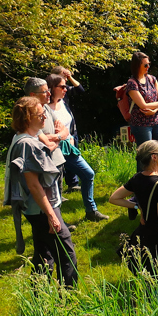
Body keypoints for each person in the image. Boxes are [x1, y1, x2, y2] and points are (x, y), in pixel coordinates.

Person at [4, 97, 79, 287]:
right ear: (28, 118)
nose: (45, 116)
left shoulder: (26, 138)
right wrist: (51, 215)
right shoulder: (26, 144)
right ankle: (70, 300)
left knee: (43, 254)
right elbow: (34, 185)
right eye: (40, 114)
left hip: (36, 209)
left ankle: (39, 299)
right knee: (66, 254)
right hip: (41, 209)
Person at [108, 140, 158, 277]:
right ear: (154, 157)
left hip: (146, 233)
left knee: (152, 276)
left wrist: (139, 206)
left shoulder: (137, 178)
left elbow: (114, 198)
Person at [46, 74, 107, 221]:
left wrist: (69, 136)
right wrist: (61, 135)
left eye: (65, 86)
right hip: (54, 151)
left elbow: (68, 126)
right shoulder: (45, 108)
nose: (66, 89)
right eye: (62, 86)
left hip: (69, 148)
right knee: (55, 188)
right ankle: (58, 222)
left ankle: (91, 211)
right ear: (52, 88)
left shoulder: (63, 103)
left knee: (88, 174)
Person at [51, 65, 84, 191]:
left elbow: (80, 89)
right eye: (63, 76)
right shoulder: (51, 95)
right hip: (58, 132)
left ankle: (72, 183)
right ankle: (57, 189)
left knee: (72, 155)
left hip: (70, 130)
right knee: (59, 160)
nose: (65, 82)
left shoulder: (65, 90)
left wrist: (70, 77)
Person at [126, 51, 158, 146]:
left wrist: (154, 110)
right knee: (146, 153)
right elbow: (143, 105)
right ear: (137, 66)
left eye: (149, 64)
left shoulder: (152, 79)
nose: (148, 67)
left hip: (157, 120)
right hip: (141, 124)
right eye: (145, 65)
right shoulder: (132, 83)